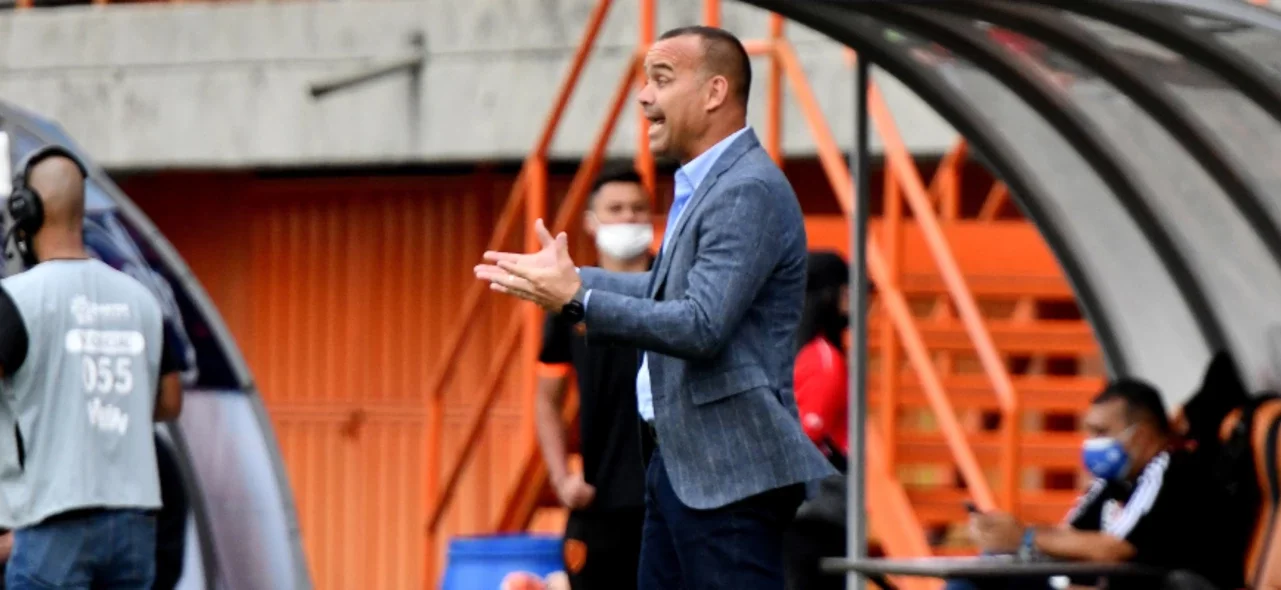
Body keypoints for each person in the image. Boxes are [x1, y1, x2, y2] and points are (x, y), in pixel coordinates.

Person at [475, 25, 836, 589]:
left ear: (715, 92)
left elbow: (700, 324)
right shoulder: (707, 184)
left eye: (661, 79)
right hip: (680, 467)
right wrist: (576, 279)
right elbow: (664, 294)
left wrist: (579, 301)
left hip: (727, 477)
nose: (643, 96)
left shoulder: (748, 189)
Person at [0, 146, 184, 589]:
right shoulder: (143, 299)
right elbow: (170, 401)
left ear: (27, 211)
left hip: (52, 525)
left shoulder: (17, 300)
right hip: (135, 527)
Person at [951, 379, 1243, 590]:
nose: (1092, 443)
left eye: (1101, 432)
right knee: (983, 573)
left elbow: (1116, 549)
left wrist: (1025, 538)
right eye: (1089, 432)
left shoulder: (1172, 470)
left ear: (1140, 435)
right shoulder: (1114, 481)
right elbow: (1068, 536)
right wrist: (1009, 533)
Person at [535, 165, 653, 589]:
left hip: (668, 498)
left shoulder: (674, 289)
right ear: (591, 220)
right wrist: (561, 476)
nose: (628, 218)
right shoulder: (571, 296)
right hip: (598, 500)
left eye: (639, 209)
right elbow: (547, 398)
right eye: (616, 208)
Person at [784, 251, 851, 590]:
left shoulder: (789, 352)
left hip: (798, 512)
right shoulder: (824, 360)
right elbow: (805, 437)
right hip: (813, 513)